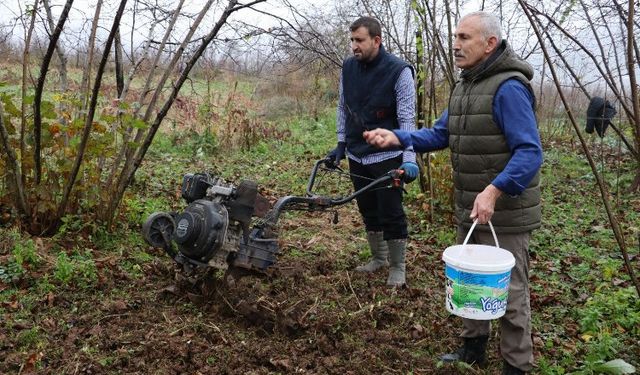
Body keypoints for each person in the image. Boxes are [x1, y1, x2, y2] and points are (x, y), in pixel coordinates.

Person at [363, 11, 543, 375]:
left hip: (504, 212)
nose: (455, 44)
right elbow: (442, 134)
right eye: (455, 37)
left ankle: (517, 365)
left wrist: (493, 191)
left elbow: (530, 152)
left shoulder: (508, 88)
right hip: (471, 207)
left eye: (464, 38)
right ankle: (473, 346)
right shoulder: (466, 85)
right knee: (472, 279)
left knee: (509, 292)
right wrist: (400, 136)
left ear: (489, 44)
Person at [325, 16, 419, 287]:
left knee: (391, 211)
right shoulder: (348, 67)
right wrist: (341, 144)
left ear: (376, 40)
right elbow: (343, 107)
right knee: (368, 209)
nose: (354, 46)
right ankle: (378, 258)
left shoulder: (399, 71)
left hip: (388, 156)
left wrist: (409, 158)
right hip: (357, 153)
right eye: (352, 40)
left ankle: (398, 266)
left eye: (360, 40)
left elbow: (407, 119)